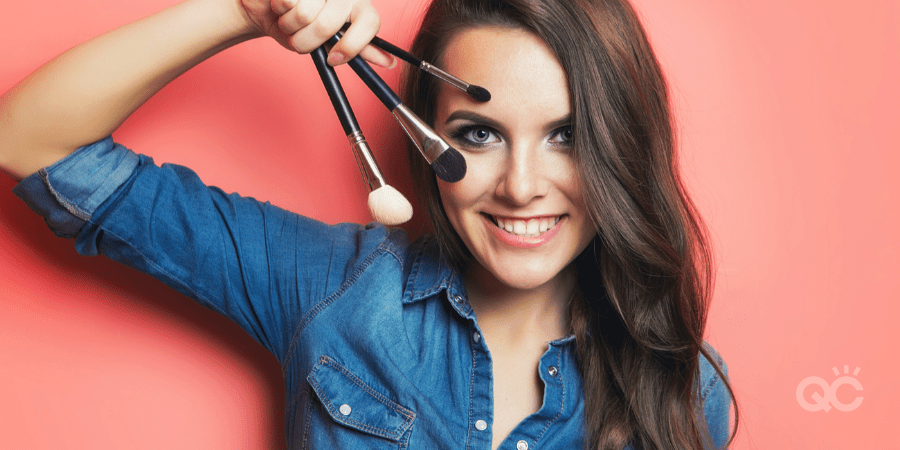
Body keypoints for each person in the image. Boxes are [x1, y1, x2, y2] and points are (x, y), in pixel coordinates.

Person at [0, 0, 738, 448]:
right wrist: (243, 14)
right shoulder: (335, 286)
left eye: (566, 136)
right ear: (425, 136)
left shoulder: (682, 388)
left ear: (622, 146)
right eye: (478, 134)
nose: (520, 187)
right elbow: (32, 143)